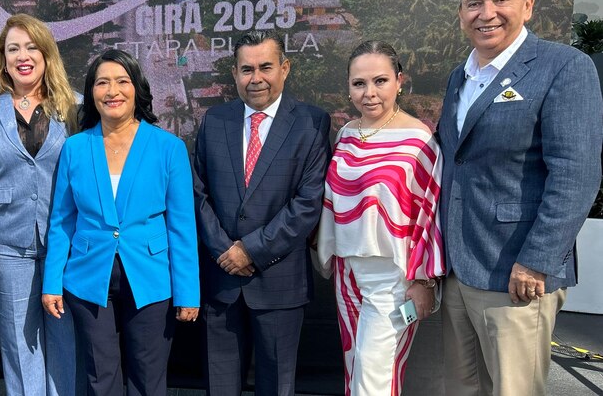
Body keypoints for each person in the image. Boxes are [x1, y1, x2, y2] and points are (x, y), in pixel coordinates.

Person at [437, 0, 603, 396]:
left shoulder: (564, 67)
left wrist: (537, 260)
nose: (486, 13)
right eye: (474, 3)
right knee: (462, 388)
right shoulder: (459, 77)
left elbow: (576, 174)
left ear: (527, 5)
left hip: (516, 273)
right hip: (458, 270)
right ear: (461, 13)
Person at [42, 49, 199, 396]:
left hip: (150, 276)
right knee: (101, 378)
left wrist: (188, 292)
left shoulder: (168, 147)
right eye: (102, 83)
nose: (112, 91)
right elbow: (62, 221)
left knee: (148, 377)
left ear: (136, 88)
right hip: (88, 276)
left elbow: (182, 227)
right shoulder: (75, 148)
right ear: (91, 92)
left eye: (122, 81)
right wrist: (51, 282)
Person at [192, 30, 331, 396]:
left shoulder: (312, 123)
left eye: (265, 67)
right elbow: (197, 194)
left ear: (285, 68)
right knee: (220, 387)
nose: (256, 78)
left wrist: (250, 250)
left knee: (276, 387)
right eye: (246, 69)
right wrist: (225, 251)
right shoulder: (214, 120)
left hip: (279, 283)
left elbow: (307, 203)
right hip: (221, 281)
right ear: (234, 74)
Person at [314, 41, 444, 395]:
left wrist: (424, 282)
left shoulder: (419, 140)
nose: (369, 93)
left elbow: (430, 216)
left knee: (375, 377)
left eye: (380, 81)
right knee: (355, 367)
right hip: (347, 272)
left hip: (392, 278)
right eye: (359, 83)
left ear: (399, 81)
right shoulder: (346, 135)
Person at [0, 14, 78, 396]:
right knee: (19, 342)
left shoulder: (73, 106)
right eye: (13, 48)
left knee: (65, 338)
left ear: (46, 54)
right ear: (3, 58)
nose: (22, 56)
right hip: (6, 243)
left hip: (65, 240)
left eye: (31, 47)